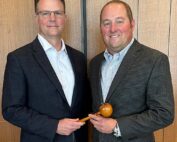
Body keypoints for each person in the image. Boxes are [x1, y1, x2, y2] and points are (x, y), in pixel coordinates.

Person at [2, 0, 90, 142]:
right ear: (36, 18)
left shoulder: (79, 58)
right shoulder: (18, 59)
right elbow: (11, 110)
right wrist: (54, 126)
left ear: (65, 18)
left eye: (58, 13)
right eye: (45, 13)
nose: (52, 19)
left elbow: (84, 103)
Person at [88, 0, 174, 142]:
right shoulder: (95, 63)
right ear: (101, 27)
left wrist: (117, 126)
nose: (113, 28)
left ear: (132, 24)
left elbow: (164, 114)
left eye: (119, 21)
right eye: (106, 23)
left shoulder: (154, 60)